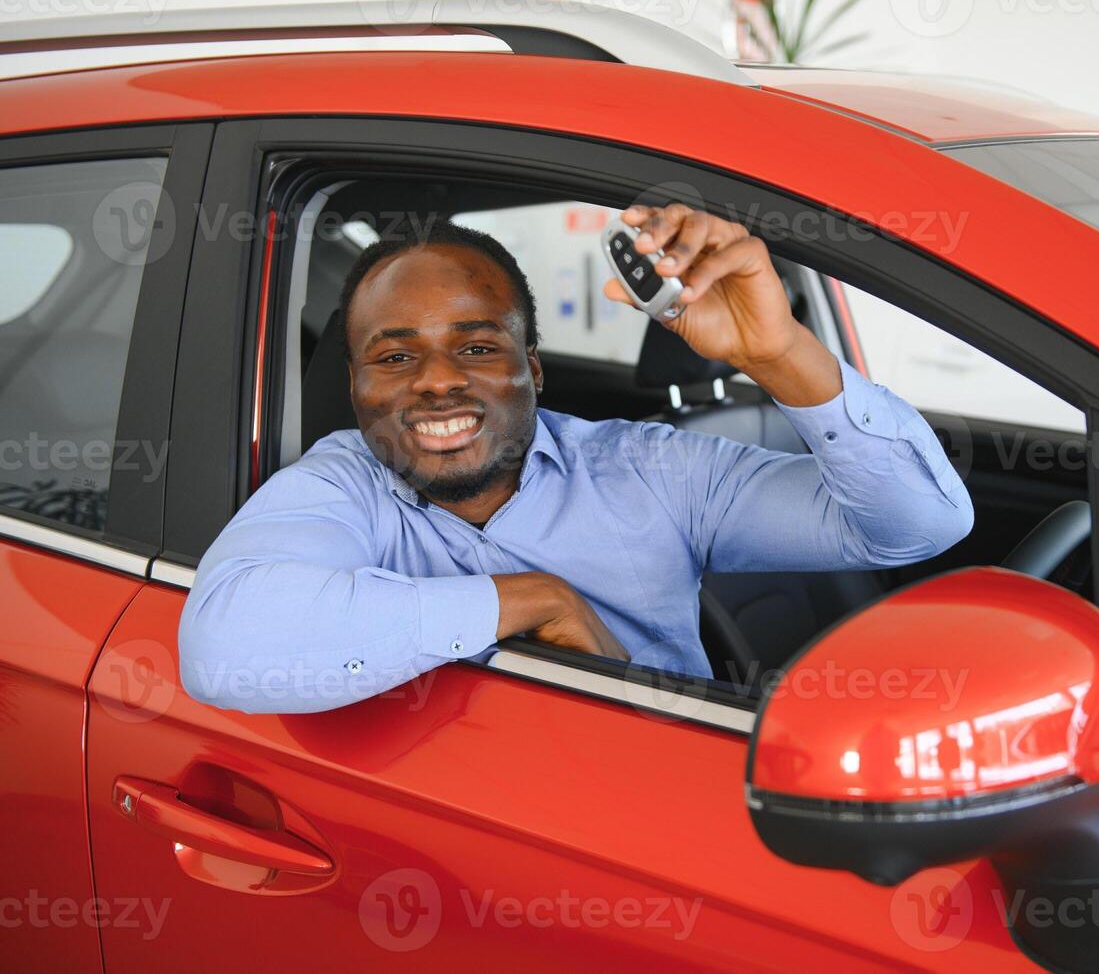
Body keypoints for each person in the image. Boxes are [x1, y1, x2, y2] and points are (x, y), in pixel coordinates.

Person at [179, 203, 973, 714]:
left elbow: (915, 526)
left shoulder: (649, 472)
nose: (439, 382)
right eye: (393, 359)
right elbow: (224, 647)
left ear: (535, 365)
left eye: (478, 346)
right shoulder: (337, 484)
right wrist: (531, 601)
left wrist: (777, 352)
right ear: (354, 388)